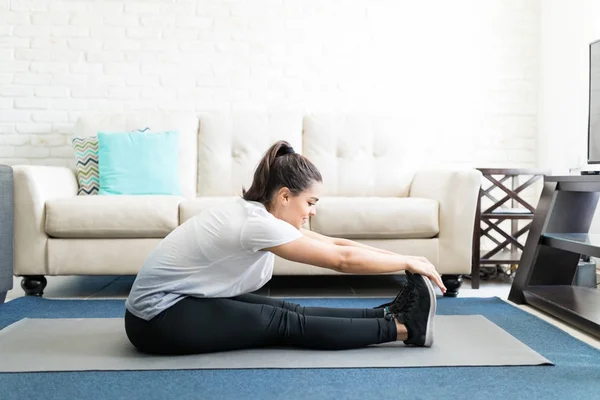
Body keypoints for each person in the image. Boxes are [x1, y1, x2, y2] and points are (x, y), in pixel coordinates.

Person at [124, 140, 448, 355]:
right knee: (284, 324)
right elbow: (342, 260)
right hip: (155, 319)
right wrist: (406, 261)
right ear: (283, 196)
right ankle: (406, 328)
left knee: (288, 310)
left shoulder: (256, 214)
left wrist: (407, 260)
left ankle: (389, 313)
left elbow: (337, 244)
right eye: (310, 202)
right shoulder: (256, 224)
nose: (313, 211)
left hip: (176, 303)